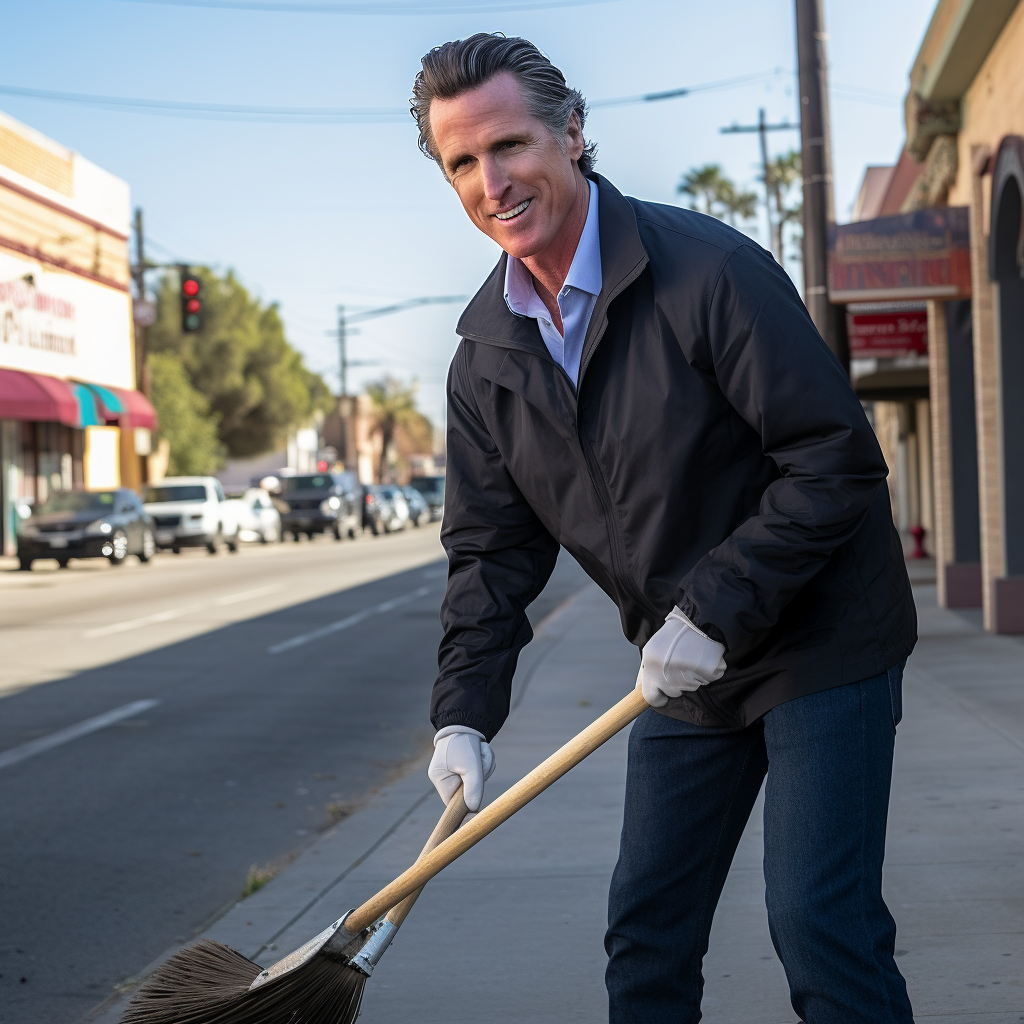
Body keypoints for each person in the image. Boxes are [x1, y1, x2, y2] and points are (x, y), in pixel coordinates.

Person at [414, 32, 917, 1024]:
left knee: (819, 923)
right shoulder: (484, 358)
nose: (491, 180)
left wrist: (715, 610)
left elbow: (834, 458)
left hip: (821, 641)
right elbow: (491, 551)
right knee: (646, 937)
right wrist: (462, 709)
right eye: (461, 162)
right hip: (683, 669)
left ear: (571, 130)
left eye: (508, 144)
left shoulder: (708, 272)